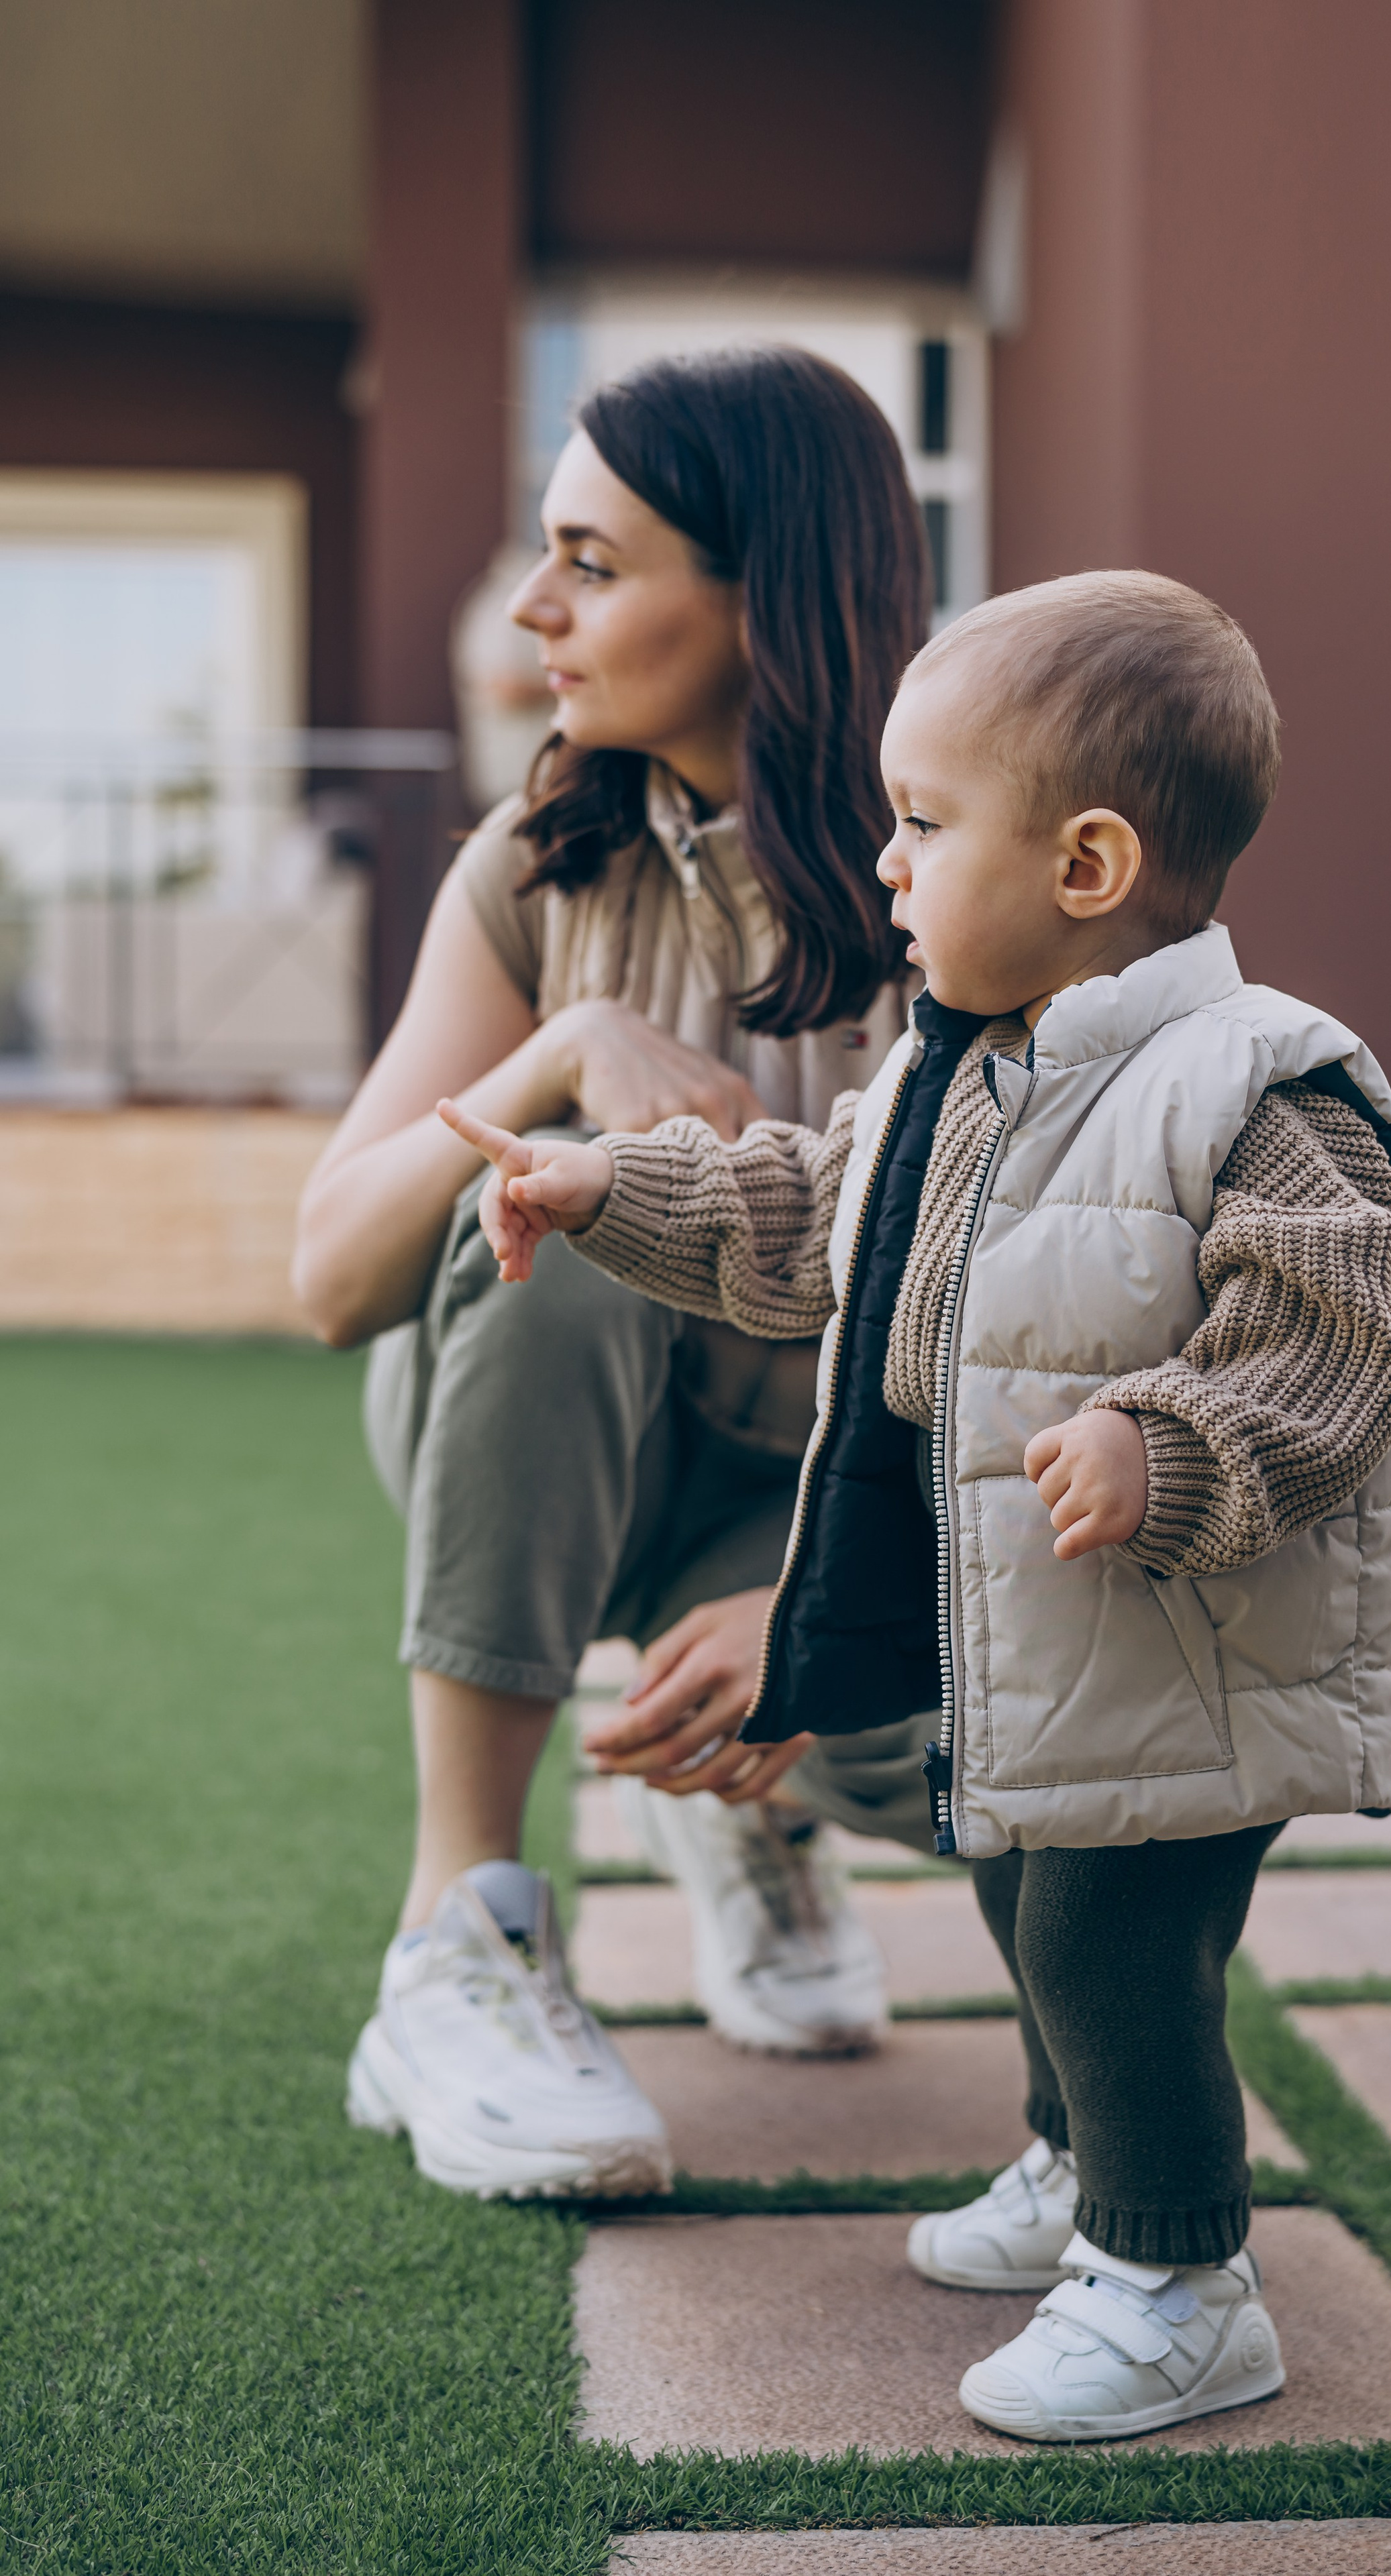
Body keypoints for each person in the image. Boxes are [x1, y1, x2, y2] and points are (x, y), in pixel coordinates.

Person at [442, 568, 1391, 2434]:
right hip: (1058, 1642)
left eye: (920, 826)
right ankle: (1081, 2170)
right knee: (1021, 1883)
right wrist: (609, 1195)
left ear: (1083, 866)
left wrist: (1173, 1446)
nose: (886, 870)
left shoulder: (1255, 1085)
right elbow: (808, 1222)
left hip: (1190, 1641)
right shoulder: (960, 1075)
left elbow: (1333, 1336)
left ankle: (1178, 2280)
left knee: (1106, 1935)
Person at [294, 348, 948, 2202]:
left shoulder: (969, 881)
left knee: (1013, 1735)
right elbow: (334, 1279)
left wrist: (826, 1602)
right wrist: (561, 1056)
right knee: (560, 1219)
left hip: (831, 1497)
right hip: (548, 1437)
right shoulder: (535, 865)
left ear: (767, 601)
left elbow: (1057, 1329)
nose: (531, 609)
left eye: (591, 559)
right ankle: (458, 1936)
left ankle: (747, 1824)